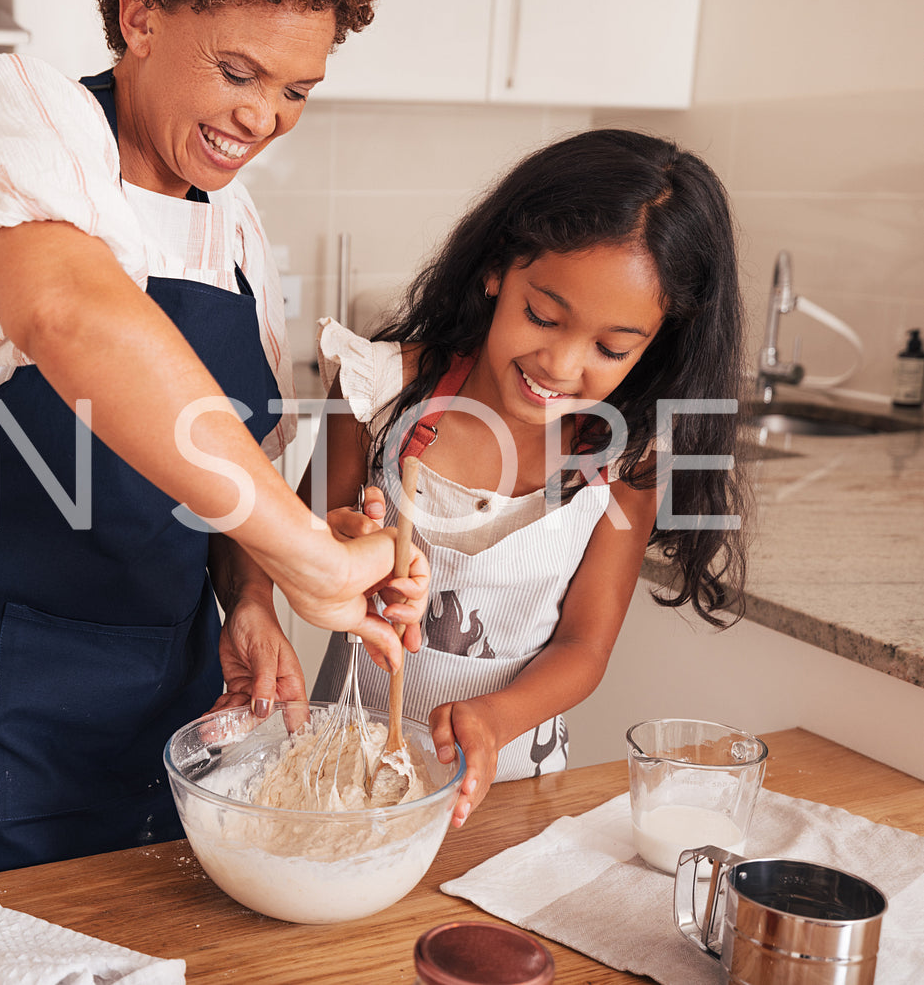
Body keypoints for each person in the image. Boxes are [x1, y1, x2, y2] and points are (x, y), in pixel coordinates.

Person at [0, 0, 428, 894]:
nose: (264, 116)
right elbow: (71, 315)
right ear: (139, 15)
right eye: (237, 71)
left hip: (150, 700)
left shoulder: (235, 232)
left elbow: (235, 462)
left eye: (295, 91)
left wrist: (251, 597)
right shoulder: (26, 114)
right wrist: (310, 558)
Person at [307, 128, 750, 829]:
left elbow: (583, 645)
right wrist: (339, 546)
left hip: (516, 786)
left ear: (656, 343)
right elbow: (307, 550)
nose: (561, 365)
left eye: (610, 347)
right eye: (542, 315)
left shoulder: (625, 456)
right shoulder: (375, 396)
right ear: (495, 271)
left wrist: (490, 720)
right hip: (341, 777)